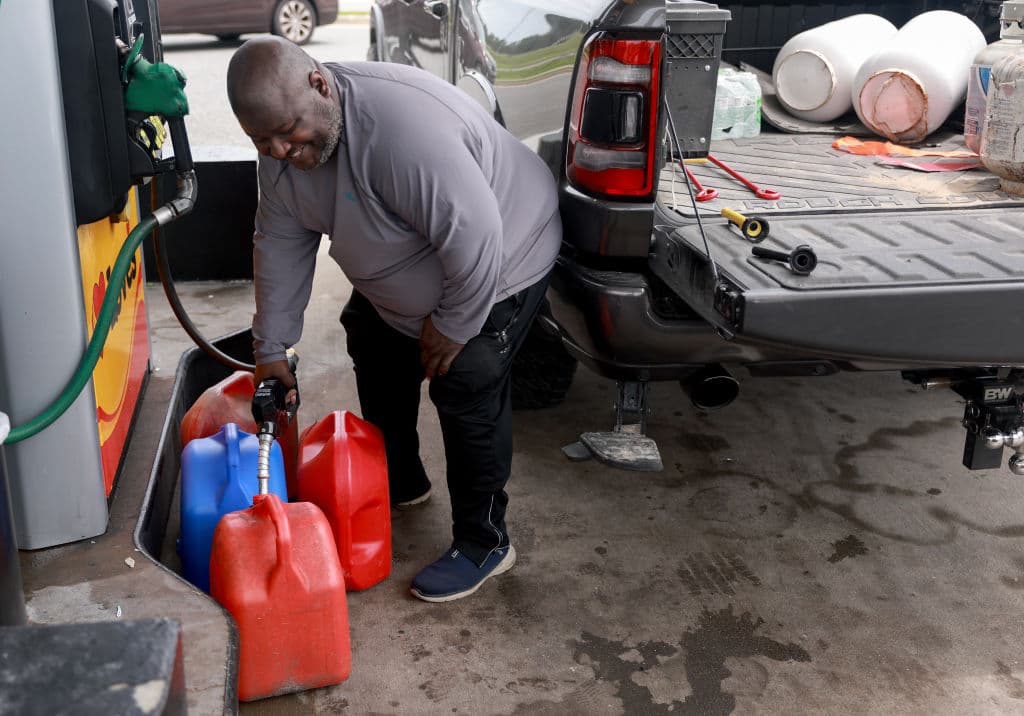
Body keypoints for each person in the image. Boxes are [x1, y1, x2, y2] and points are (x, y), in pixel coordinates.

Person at [226, 37, 561, 602]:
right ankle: (400, 480)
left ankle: (485, 542)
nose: (280, 150)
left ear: (319, 85)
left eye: (288, 131)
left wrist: (454, 324)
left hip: (506, 247)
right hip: (418, 253)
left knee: (467, 374)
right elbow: (280, 243)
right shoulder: (282, 150)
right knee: (370, 333)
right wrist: (271, 348)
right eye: (262, 141)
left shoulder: (401, 131)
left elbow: (476, 235)